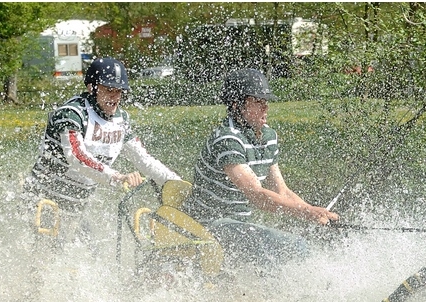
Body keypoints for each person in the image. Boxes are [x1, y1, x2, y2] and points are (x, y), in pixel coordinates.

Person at [183, 68, 338, 268]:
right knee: (295, 247)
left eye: (265, 101)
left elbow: (281, 191)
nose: (266, 107)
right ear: (236, 105)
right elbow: (256, 195)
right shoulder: (227, 139)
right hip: (208, 226)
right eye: (258, 101)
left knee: (285, 251)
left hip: (238, 225)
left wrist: (316, 212)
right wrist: (306, 212)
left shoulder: (268, 137)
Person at [22, 57, 180, 245]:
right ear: (92, 87)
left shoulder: (121, 120)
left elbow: (144, 160)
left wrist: (176, 184)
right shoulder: (72, 113)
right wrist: (117, 177)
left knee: (90, 251)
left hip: (75, 207)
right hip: (43, 202)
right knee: (46, 254)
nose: (115, 97)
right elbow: (76, 156)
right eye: (109, 90)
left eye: (119, 91)